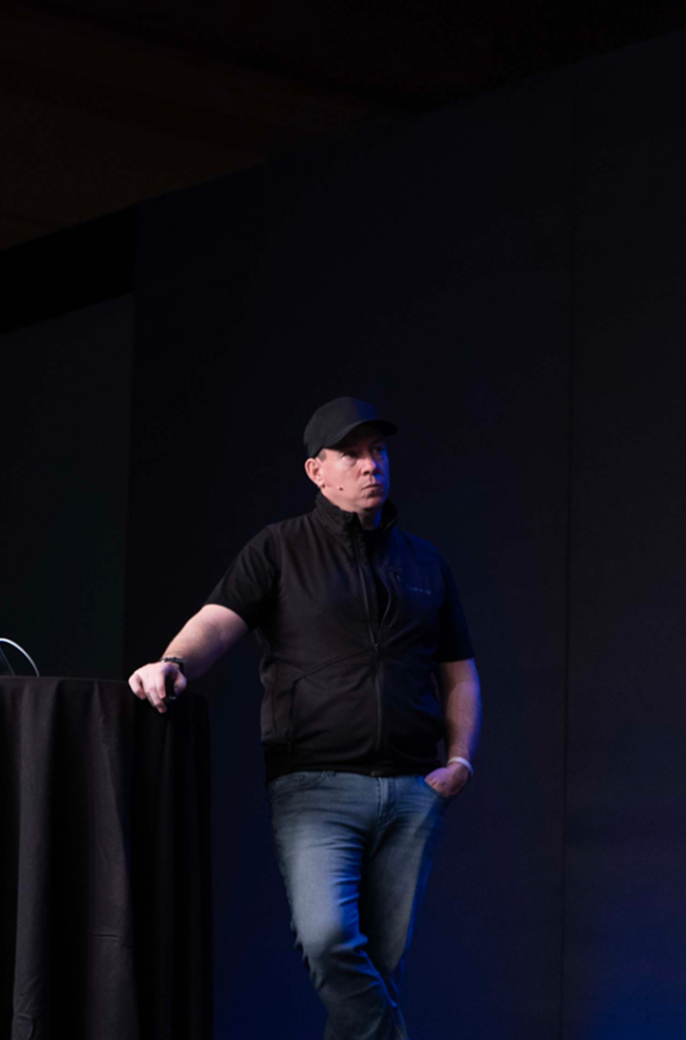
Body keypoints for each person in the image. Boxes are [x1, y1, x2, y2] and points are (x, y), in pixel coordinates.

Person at [128, 396, 481, 1040]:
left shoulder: (426, 562)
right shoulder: (280, 549)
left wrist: (459, 760)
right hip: (315, 786)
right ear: (318, 471)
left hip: (411, 790)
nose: (372, 465)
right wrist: (172, 661)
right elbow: (218, 621)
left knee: (382, 967)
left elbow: (458, 671)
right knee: (329, 941)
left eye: (379, 451)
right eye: (353, 453)